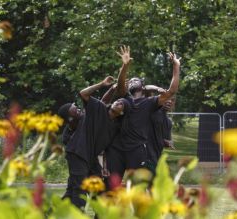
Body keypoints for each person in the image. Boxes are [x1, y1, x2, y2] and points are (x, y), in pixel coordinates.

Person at [105, 45, 181, 180]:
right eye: (131, 80)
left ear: (142, 86)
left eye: (137, 80)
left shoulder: (150, 103)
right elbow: (121, 85)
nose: (133, 80)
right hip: (118, 149)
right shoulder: (125, 99)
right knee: (111, 185)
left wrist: (176, 66)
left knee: (138, 188)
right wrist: (125, 65)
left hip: (137, 150)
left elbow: (171, 91)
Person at [58, 75, 129, 209]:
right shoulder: (83, 120)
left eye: (122, 104)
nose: (77, 107)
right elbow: (85, 95)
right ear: (70, 118)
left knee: (93, 187)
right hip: (78, 154)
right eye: (74, 108)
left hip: (90, 158)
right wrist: (103, 83)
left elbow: (103, 102)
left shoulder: (107, 123)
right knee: (79, 190)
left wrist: (113, 88)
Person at [146, 95, 175, 174]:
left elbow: (166, 140)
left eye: (172, 100)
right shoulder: (151, 112)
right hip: (145, 154)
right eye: (167, 99)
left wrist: (169, 142)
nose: (169, 101)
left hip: (157, 155)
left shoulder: (168, 122)